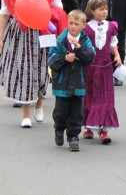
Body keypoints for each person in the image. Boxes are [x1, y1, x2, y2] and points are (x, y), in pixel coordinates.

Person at [0, 0, 64, 127]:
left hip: (44, 33)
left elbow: (58, 9)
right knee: (24, 71)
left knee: (43, 71)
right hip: (21, 34)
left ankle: (39, 103)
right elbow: (3, 16)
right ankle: (26, 114)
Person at [47, 10, 96, 151]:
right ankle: (59, 129)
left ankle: (73, 137)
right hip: (62, 83)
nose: (73, 26)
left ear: (83, 26)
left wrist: (79, 48)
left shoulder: (85, 40)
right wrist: (64, 58)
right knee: (60, 112)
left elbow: (90, 57)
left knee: (77, 113)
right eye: (71, 23)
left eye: (77, 24)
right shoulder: (60, 40)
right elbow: (51, 60)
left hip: (78, 84)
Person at [82, 0, 121, 144]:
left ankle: (104, 130)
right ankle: (88, 126)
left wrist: (117, 56)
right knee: (89, 95)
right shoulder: (85, 27)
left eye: (106, 8)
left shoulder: (111, 26)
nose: (104, 11)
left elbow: (112, 44)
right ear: (92, 11)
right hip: (90, 67)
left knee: (105, 96)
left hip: (105, 67)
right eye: (101, 9)